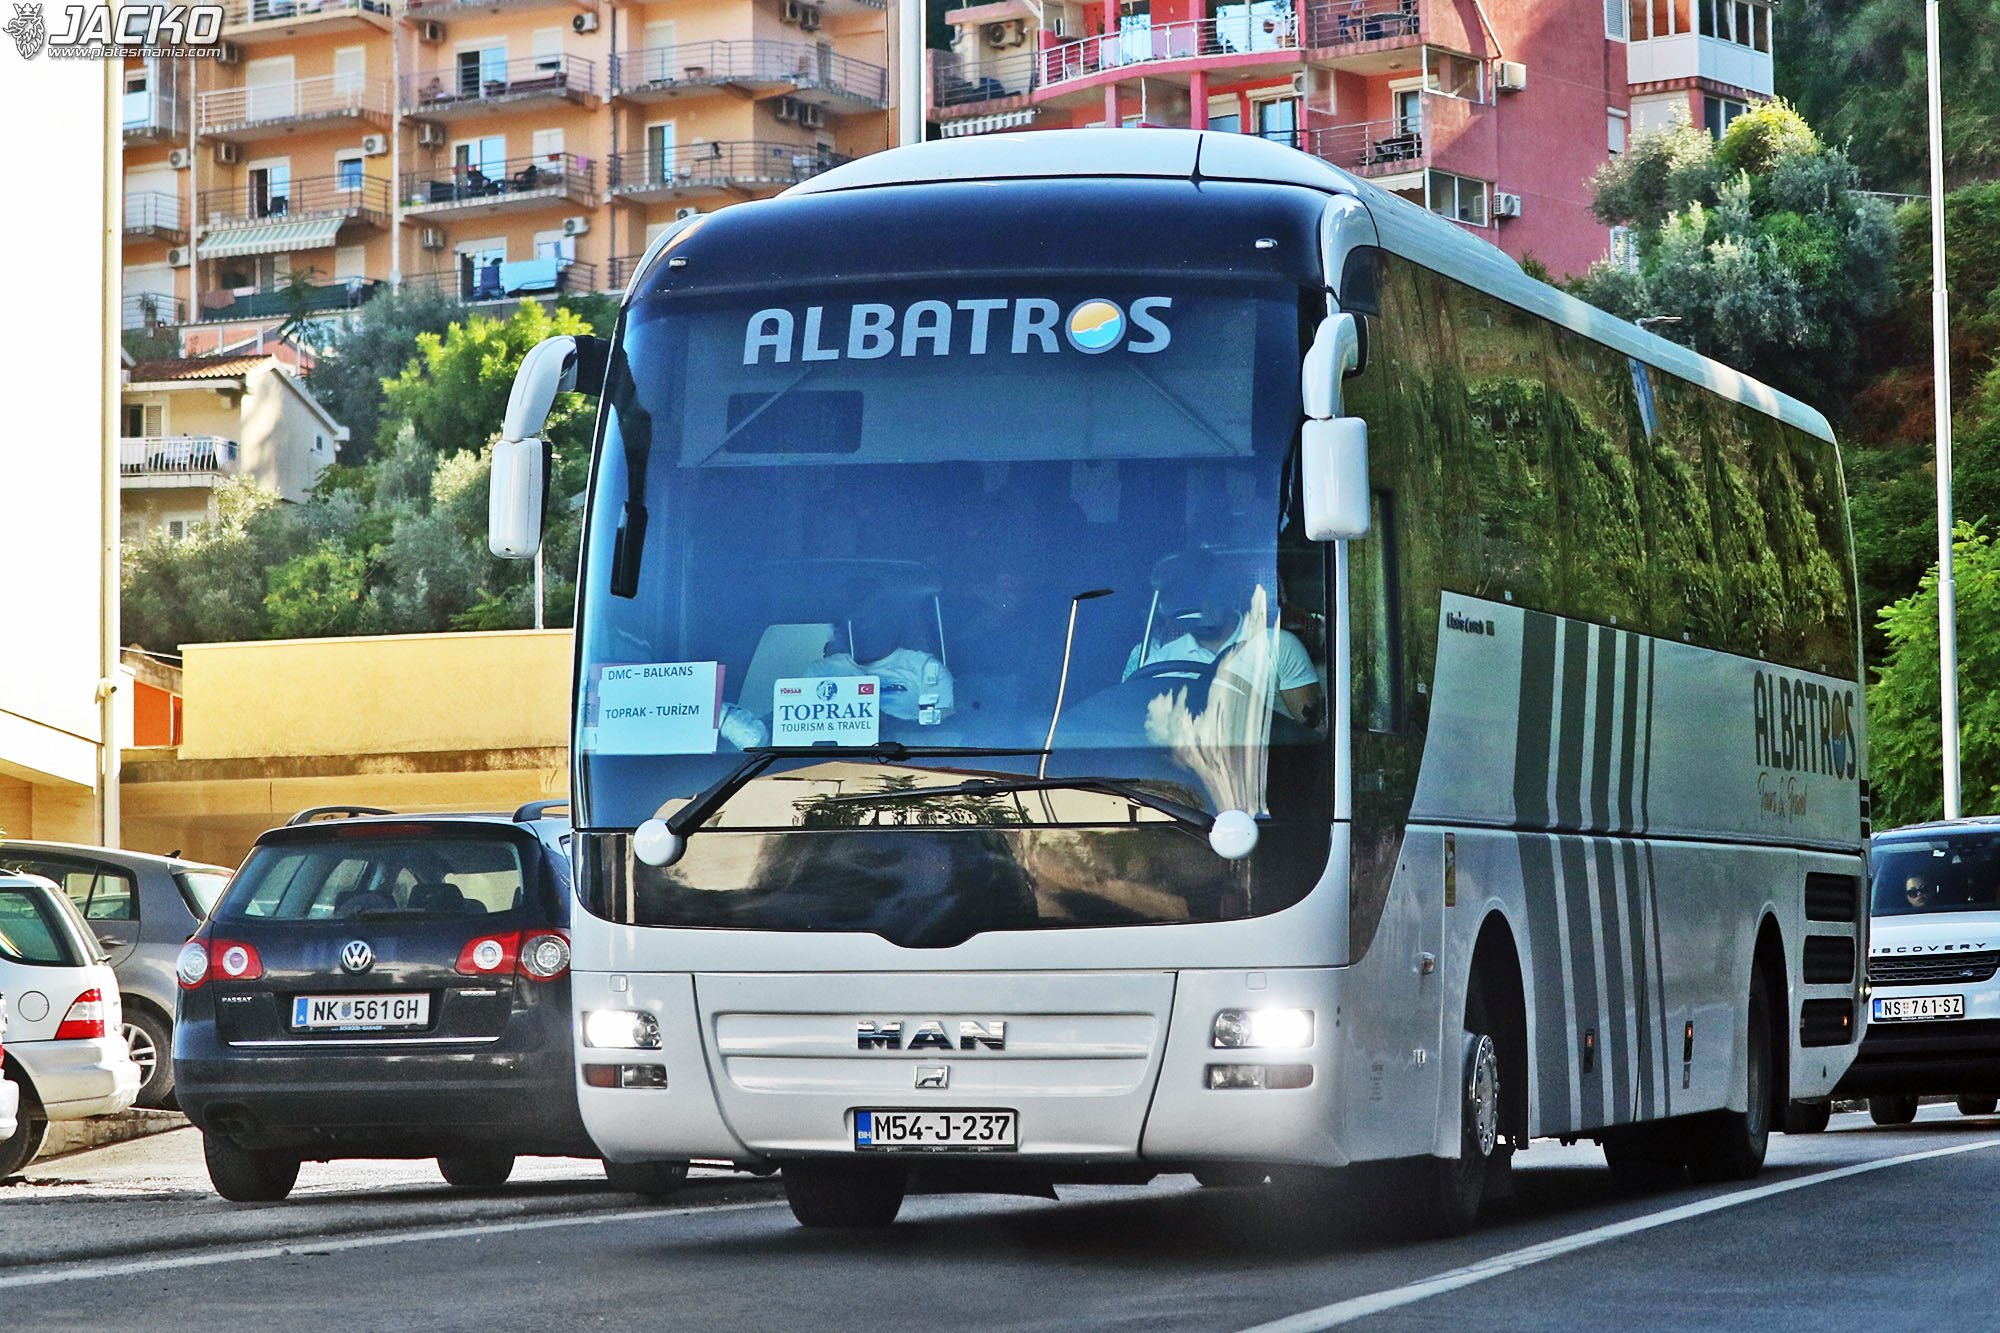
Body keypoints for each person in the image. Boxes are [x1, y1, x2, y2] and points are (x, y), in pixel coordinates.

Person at [1124, 568, 1322, 726]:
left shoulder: (1278, 646)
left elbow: (1313, 730)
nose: (1200, 605)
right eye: (1190, 598)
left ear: (1230, 597)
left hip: (1263, 766)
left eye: (1208, 594)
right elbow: (1136, 729)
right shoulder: (1160, 660)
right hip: (1180, 769)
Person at [807, 594, 954, 726]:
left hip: (905, 753)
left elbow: (943, 727)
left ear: (889, 627)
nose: (860, 630)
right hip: (833, 755)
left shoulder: (924, 667)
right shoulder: (821, 672)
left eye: (867, 622)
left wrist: (888, 724)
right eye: (852, 624)